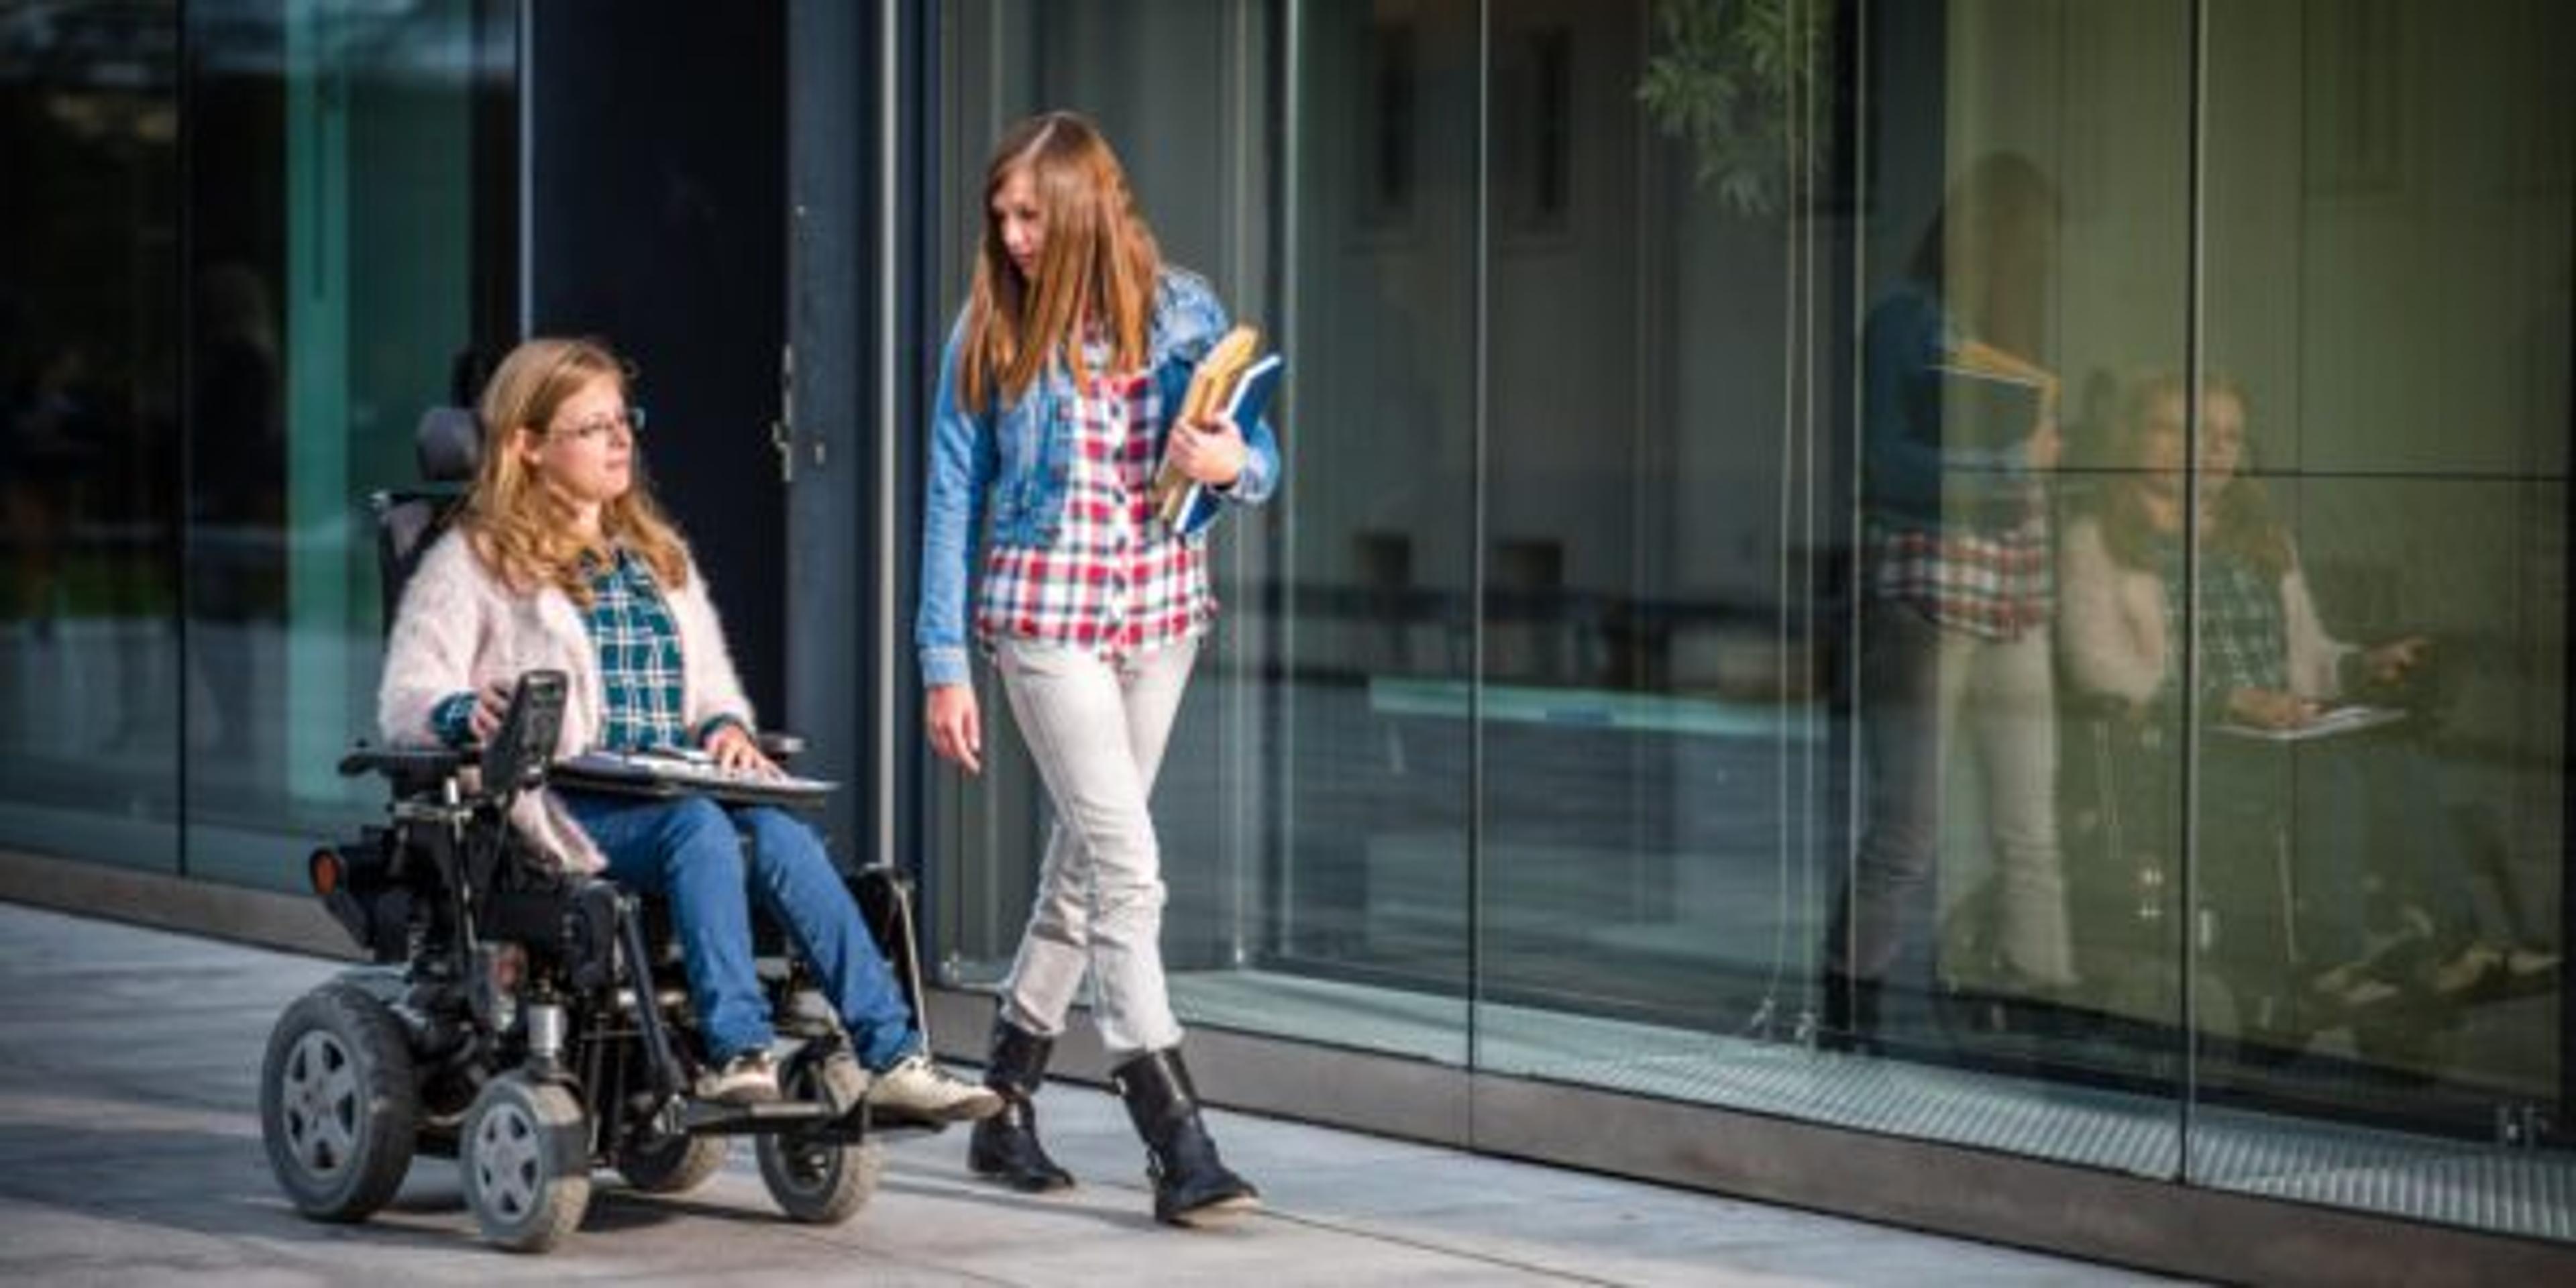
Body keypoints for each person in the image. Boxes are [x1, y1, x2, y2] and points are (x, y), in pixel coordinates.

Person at [380, 335, 1002, 1120]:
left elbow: (711, 687)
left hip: (665, 785)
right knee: (699, 829)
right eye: (593, 427)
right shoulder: (475, 560)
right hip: (556, 805)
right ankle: (735, 1051)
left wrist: (723, 729)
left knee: (779, 837)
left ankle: (893, 1055)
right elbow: (408, 693)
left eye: (623, 420)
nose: (620, 440)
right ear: (527, 446)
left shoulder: (656, 555)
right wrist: (463, 711)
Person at [916, 111, 1278, 1226]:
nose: (1012, 234)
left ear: (1082, 205)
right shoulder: (990, 326)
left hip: (1160, 618)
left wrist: (1233, 464)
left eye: (1031, 213)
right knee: (1128, 866)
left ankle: (1004, 1100)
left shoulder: (1185, 312)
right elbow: (949, 496)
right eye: (1003, 216)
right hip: (1046, 624)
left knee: (1082, 872)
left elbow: (1255, 451)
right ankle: (1176, 1138)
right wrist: (943, 660)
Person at [2057, 372, 2555, 1012]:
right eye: (2184, 430)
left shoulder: (2263, 538)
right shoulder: (2095, 540)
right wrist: (2228, 699)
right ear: (2135, 436)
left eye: (2229, 436)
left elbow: (2310, 658)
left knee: (2394, 755)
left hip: (2279, 736)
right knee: (2329, 773)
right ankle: (2331, 962)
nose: (2212, 449)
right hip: (2178, 751)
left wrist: (2359, 666)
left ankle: (2456, 948)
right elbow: (2098, 669)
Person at [1825, 153, 2076, 1050]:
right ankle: (1850, 1014)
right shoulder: (1905, 320)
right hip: (1927, 592)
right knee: (1911, 825)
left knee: (2032, 830)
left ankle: (2049, 1015)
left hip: (2015, 594)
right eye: (2032, 246)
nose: (2041, 264)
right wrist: (2005, 467)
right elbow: (1885, 462)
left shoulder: (2023, 334)